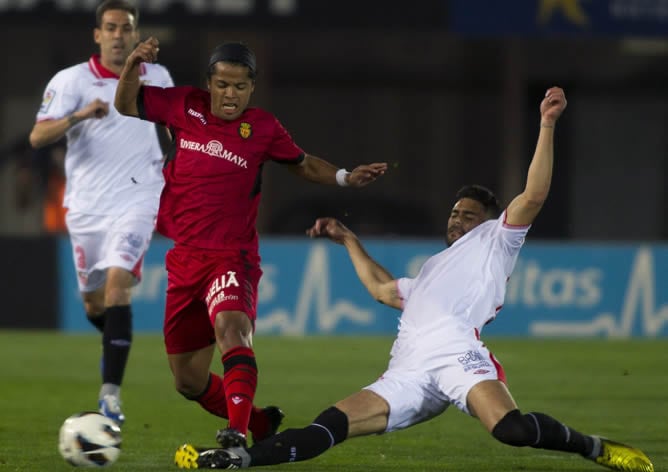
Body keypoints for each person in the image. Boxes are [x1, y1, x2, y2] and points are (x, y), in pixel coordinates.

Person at [174, 87, 655, 472]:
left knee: (510, 430)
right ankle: (239, 459)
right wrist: (347, 240)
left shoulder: (496, 241)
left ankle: (594, 448)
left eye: (468, 215)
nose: (457, 220)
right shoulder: (432, 270)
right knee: (329, 424)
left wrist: (547, 125)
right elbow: (384, 290)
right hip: (406, 373)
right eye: (454, 212)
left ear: (487, 222)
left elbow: (533, 194)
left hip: (458, 357)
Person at [114, 38, 388, 449]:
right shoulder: (183, 105)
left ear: (251, 87)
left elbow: (304, 163)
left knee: (232, 329)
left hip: (232, 255)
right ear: (209, 83)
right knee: (187, 381)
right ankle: (260, 423)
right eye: (223, 84)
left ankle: (235, 434)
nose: (230, 94)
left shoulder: (262, 127)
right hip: (185, 258)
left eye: (240, 87)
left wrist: (346, 177)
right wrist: (133, 64)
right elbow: (125, 104)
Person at [29, 0, 174, 425]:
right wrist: (78, 115)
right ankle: (115, 340)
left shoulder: (156, 76)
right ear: (97, 35)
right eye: (109, 27)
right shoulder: (72, 80)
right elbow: (38, 136)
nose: (117, 34)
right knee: (94, 305)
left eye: (125, 27)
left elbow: (174, 128)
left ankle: (110, 396)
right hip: (88, 206)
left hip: (138, 197)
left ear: (134, 34)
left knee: (116, 290)